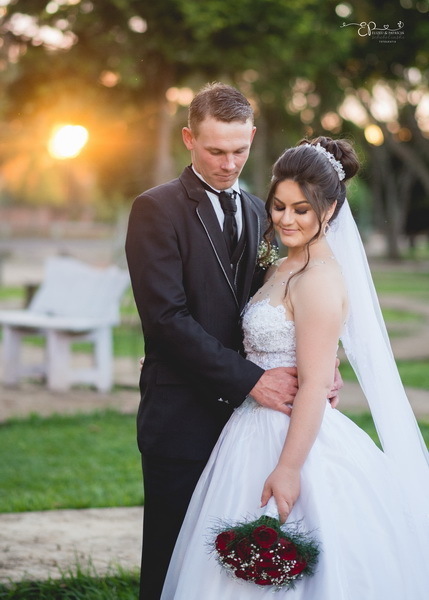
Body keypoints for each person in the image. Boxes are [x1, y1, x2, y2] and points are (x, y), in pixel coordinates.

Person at [160, 137, 429, 599]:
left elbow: (314, 386)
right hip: (247, 429)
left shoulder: (319, 279)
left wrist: (287, 469)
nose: (286, 219)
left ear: (330, 209)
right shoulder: (281, 267)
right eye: (279, 206)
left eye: (302, 209)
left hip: (293, 440)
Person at [126, 83, 342, 599]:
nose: (229, 164)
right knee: (172, 561)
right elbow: (166, 320)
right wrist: (253, 381)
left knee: (230, 572)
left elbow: (273, 304)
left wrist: (320, 366)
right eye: (216, 151)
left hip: (251, 430)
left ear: (252, 137)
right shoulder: (155, 209)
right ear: (189, 139)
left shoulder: (260, 211)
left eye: (240, 151)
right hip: (182, 416)